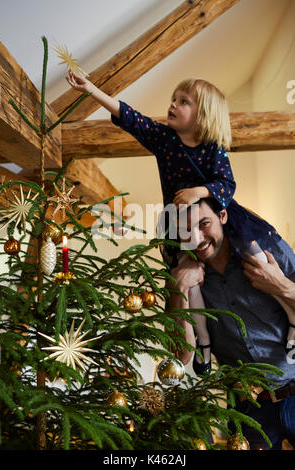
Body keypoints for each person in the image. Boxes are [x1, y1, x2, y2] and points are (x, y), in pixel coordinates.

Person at [66, 72, 295, 372]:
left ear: (203, 115)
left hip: (228, 212)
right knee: (191, 286)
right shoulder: (165, 141)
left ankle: (292, 321)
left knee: (255, 255)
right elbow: (132, 117)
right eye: (173, 99)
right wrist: (92, 90)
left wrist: (198, 192)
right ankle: (203, 342)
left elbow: (227, 184)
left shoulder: (213, 148)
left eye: (183, 101)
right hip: (175, 221)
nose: (173, 105)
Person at [168, 197, 295, 450]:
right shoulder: (181, 275)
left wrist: (281, 286)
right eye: (185, 231)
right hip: (248, 409)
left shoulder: (267, 251)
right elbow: (180, 357)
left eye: (204, 223)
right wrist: (179, 287)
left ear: (222, 217)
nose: (196, 237)